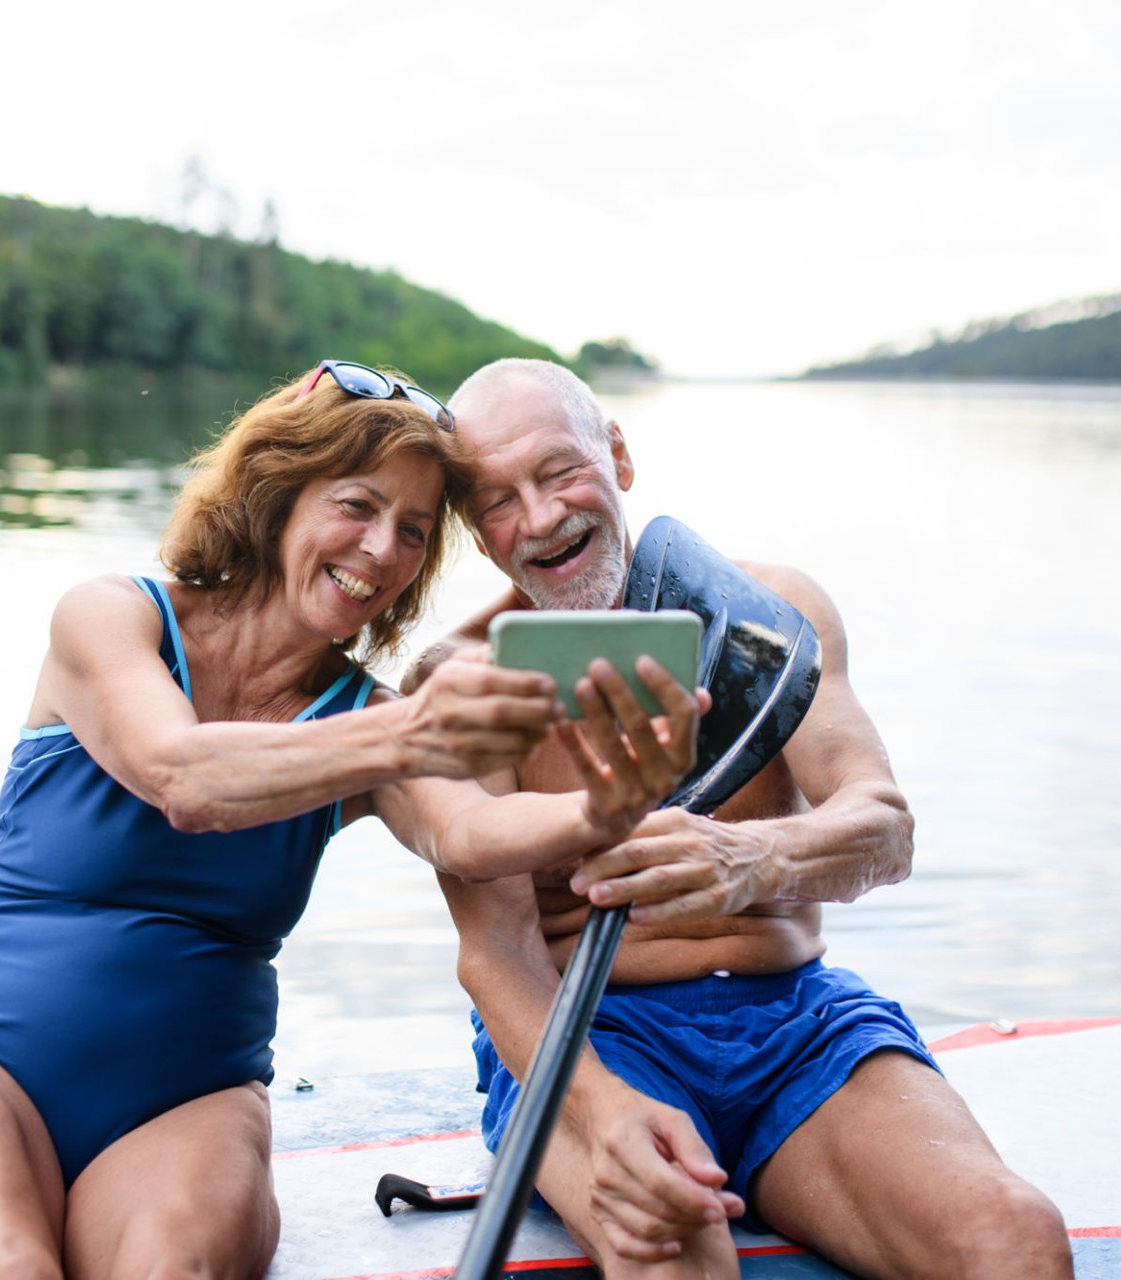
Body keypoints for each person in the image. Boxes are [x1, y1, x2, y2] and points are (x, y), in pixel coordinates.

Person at [0, 360, 705, 1280]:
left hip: (187, 1098)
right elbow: (180, 776)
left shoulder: (373, 715)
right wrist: (407, 737)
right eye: (357, 506)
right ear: (278, 497)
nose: (383, 550)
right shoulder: (112, 618)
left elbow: (468, 836)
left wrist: (603, 805)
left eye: (415, 532)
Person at [409, 358, 1074, 1278]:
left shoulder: (773, 614)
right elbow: (495, 954)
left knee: (1013, 1239)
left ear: (619, 457)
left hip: (798, 1023)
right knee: (672, 1246)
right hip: (587, 1036)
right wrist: (601, 1111)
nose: (542, 517)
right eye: (496, 500)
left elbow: (883, 829)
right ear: (477, 536)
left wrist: (755, 858)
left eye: (559, 471)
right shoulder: (462, 682)